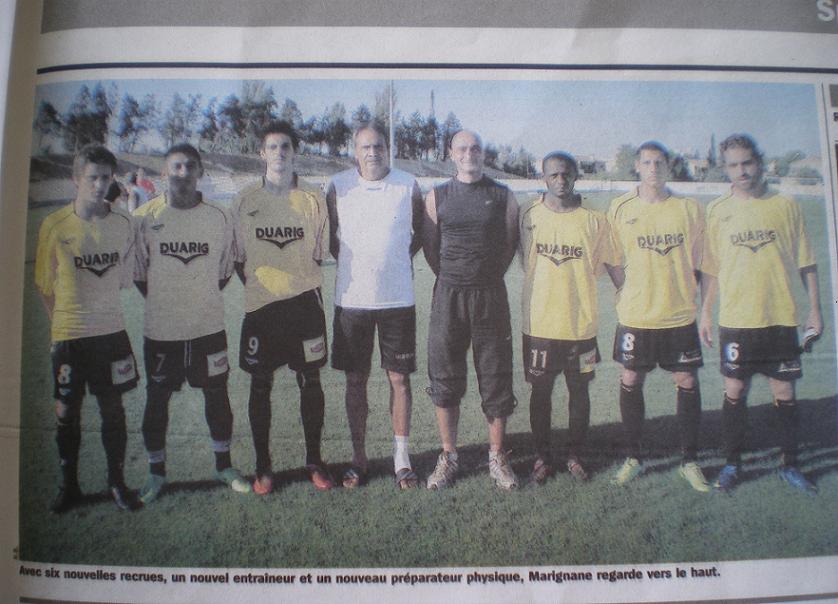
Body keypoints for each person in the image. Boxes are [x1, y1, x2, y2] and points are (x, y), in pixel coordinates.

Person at [699, 134, 823, 494]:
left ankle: (790, 464)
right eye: (734, 165)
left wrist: (814, 309)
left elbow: (807, 262)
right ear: (725, 169)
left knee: (784, 391)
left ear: (760, 161)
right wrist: (706, 314)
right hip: (737, 320)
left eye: (747, 163)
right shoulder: (718, 210)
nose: (742, 171)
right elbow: (711, 268)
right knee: (734, 389)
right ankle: (732, 464)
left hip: (781, 318)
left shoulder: (785, 205)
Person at [133, 143, 250, 503]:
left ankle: (224, 466)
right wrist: (169, 301)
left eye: (189, 167)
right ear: (164, 173)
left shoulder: (219, 216)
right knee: (157, 401)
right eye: (176, 167)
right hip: (162, 331)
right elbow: (140, 274)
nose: (182, 174)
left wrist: (197, 299)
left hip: (207, 328)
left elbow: (225, 270)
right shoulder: (144, 217)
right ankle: (156, 474)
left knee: (216, 396)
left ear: (200, 172)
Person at [34, 144, 141, 512]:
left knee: (112, 409)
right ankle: (70, 486)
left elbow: (126, 279)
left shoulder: (123, 223)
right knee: (66, 410)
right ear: (76, 179)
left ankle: (117, 483)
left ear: (113, 180)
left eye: (105, 177)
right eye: (92, 177)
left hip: (111, 334)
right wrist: (60, 329)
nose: (99, 184)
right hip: (69, 338)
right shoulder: (55, 225)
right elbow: (43, 284)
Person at [232, 121, 333, 495]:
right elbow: (240, 259)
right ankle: (263, 467)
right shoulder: (244, 200)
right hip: (262, 310)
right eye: (272, 147)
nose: (279, 153)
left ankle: (315, 461)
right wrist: (266, 290)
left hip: (305, 306)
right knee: (261, 385)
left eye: (285, 146)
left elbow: (318, 255)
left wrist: (295, 286)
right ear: (262, 153)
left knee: (311, 381)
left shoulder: (312, 198)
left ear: (295, 152)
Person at [606, 141, 709, 492]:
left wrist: (690, 298)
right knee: (632, 380)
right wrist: (629, 290)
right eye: (647, 162)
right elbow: (612, 259)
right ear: (637, 166)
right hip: (636, 315)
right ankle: (633, 457)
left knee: (687, 381)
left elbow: (700, 261)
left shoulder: (688, 208)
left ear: (669, 167)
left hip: (678, 316)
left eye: (659, 162)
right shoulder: (620, 208)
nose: (653, 168)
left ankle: (689, 460)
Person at [326, 123, 424, 490]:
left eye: (378, 146)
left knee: (399, 379)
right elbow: (333, 240)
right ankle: (359, 458)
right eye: (365, 147)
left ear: (388, 148)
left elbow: (416, 238)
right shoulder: (337, 186)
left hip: (398, 299)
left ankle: (402, 459)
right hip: (352, 301)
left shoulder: (408, 184)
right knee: (356, 379)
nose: (372, 152)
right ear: (355, 151)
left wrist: (390, 260)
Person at [422, 130, 520, 490]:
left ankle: (497, 456)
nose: (469, 154)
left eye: (476, 148)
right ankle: (449, 455)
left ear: (483, 153)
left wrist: (483, 276)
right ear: (451, 154)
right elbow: (432, 250)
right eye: (462, 148)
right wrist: (455, 277)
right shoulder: (436, 196)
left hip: (490, 297)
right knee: (445, 378)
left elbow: (510, 244)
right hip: (448, 297)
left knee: (495, 377)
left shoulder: (503, 196)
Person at [520, 152, 617, 484]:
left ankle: (575, 455)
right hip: (540, 326)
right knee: (540, 392)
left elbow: (608, 265)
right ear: (543, 178)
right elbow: (524, 258)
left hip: (581, 327)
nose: (560, 180)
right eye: (553, 175)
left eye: (566, 174)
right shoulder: (529, 214)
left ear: (576, 176)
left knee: (580, 391)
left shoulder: (595, 219)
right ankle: (542, 457)